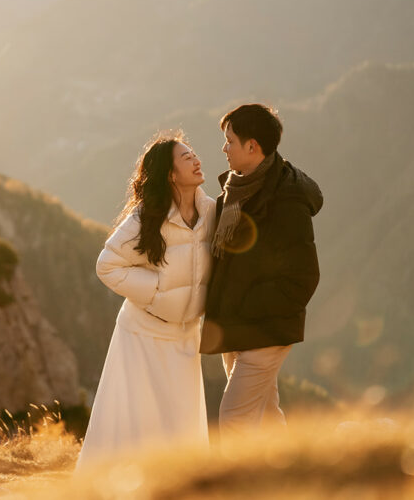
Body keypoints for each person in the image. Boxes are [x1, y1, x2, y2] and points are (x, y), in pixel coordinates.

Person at [75, 133, 216, 470]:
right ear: (170, 174)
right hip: (142, 333)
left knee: (180, 421)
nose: (197, 160)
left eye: (195, 154)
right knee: (139, 421)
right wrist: (156, 290)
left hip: (185, 336)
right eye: (187, 157)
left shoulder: (212, 211)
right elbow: (106, 265)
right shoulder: (146, 216)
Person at [199, 103, 323, 440]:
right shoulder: (235, 191)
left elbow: (303, 277)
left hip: (264, 328)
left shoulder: (287, 198)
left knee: (235, 416)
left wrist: (249, 305)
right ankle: (286, 480)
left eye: (230, 141)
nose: (224, 148)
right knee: (266, 415)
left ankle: (235, 490)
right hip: (236, 327)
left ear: (252, 146)